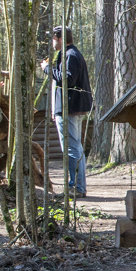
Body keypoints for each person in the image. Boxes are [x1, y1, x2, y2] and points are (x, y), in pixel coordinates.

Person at [40, 26, 93, 197]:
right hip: (69, 108)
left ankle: (76, 188)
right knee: (75, 148)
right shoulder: (69, 54)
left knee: (72, 149)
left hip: (70, 108)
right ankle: (77, 186)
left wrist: (47, 69)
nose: (52, 42)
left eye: (53, 39)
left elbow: (67, 79)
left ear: (59, 38)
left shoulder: (71, 55)